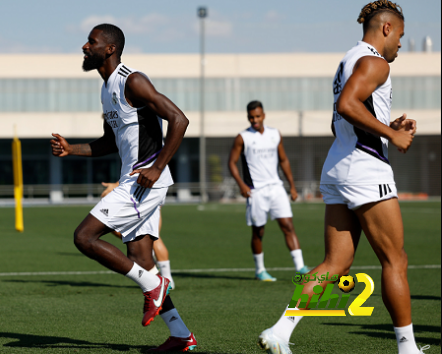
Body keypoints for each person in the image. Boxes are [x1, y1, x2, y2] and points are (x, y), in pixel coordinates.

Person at [258, 2, 429, 354]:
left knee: (336, 264)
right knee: (395, 260)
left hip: (341, 165)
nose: (399, 43)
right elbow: (348, 106)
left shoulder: (348, 59)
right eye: (399, 35)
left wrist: (387, 128)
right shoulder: (375, 62)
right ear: (386, 28)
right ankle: (408, 349)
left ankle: (280, 331)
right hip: (365, 169)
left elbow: (345, 115)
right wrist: (392, 136)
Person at [51, 24, 196, 352]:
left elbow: (179, 119)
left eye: (92, 42)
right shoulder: (106, 89)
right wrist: (71, 149)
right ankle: (180, 335)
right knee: (140, 259)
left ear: (110, 49)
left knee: (84, 237)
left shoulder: (133, 80)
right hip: (136, 180)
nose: (85, 47)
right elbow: (108, 142)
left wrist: (157, 167)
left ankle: (154, 286)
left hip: (145, 182)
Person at [228, 101, 310, 282]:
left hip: (276, 188)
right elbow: (231, 162)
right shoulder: (243, 137)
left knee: (288, 225)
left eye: (257, 116)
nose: (254, 120)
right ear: (248, 117)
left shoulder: (275, 134)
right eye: (251, 117)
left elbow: (284, 160)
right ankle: (260, 270)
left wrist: (292, 186)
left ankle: (301, 268)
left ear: (263, 115)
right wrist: (241, 185)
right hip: (256, 192)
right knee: (259, 232)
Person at [101, 181, 175, 288]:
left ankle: (167, 279)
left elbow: (140, 169)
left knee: (153, 237)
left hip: (146, 194)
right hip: (147, 192)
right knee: (138, 235)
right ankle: (151, 258)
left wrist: (116, 185)